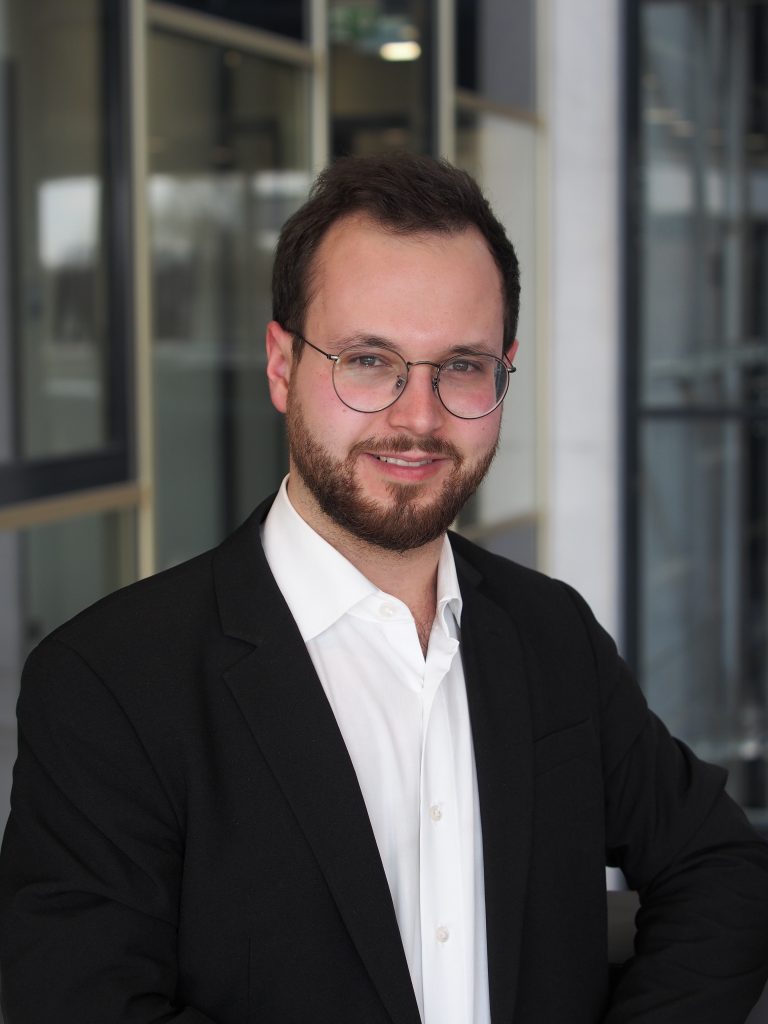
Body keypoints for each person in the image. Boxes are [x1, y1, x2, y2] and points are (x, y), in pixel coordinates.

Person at [1, 152, 767, 1024]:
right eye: (369, 360)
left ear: (505, 372)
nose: (418, 416)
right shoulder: (109, 685)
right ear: (282, 365)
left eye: (462, 366)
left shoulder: (550, 632)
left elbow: (721, 867)